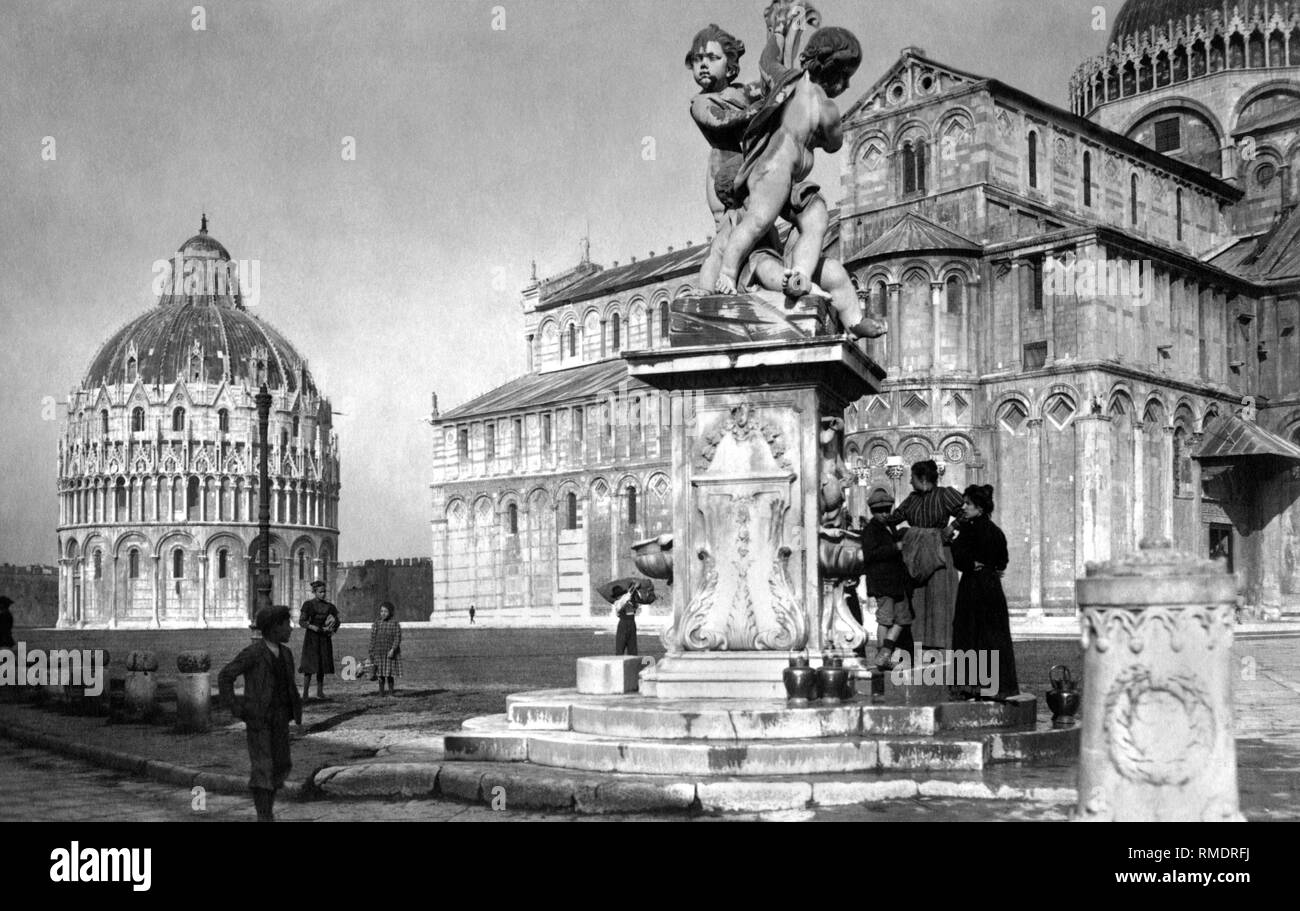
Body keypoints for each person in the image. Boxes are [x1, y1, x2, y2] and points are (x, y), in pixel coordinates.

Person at [715, 25, 884, 340]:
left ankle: (804, 279)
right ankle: (727, 271)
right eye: (845, 76)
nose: (846, 85)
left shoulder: (786, 79)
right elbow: (834, 143)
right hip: (774, 169)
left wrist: (776, 37)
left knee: (816, 214)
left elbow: (767, 61)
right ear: (831, 71)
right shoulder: (826, 106)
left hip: (788, 177)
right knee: (758, 220)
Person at [218, 605, 303, 822]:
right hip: (259, 720)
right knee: (263, 768)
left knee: (282, 764)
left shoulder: (286, 654)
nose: (291, 629)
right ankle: (264, 816)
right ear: (274, 628)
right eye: (287, 624)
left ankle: (267, 811)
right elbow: (226, 676)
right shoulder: (254, 652)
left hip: (280, 719)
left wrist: (294, 710)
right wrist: (237, 708)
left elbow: (288, 685)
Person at [872, 460, 964, 654]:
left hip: (939, 554)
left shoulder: (945, 494)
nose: (910, 483)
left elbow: (966, 511)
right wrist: (877, 517)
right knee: (918, 602)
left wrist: (952, 527)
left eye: (912, 478)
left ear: (922, 479)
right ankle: (920, 648)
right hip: (916, 558)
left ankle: (942, 649)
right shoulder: (912, 499)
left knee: (940, 601)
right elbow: (895, 517)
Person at [949, 485, 1020, 701]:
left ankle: (970, 685)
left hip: (973, 587)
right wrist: (990, 567)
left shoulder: (969, 530)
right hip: (991, 587)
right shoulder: (996, 531)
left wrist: (972, 564)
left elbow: (959, 558)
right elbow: (1002, 561)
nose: (964, 507)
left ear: (979, 508)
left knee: (970, 632)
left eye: (968, 504)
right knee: (992, 634)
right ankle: (995, 684)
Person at [860, 489, 912, 669]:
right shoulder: (870, 530)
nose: (884, 514)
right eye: (880, 511)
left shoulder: (888, 527)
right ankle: (883, 656)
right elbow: (870, 555)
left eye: (887, 510)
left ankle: (883, 655)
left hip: (896, 582)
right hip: (882, 583)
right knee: (886, 620)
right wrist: (895, 547)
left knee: (903, 618)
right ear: (873, 512)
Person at [298, 580, 339, 701]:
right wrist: (312, 626)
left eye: (324, 591)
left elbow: (337, 621)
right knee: (309, 666)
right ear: (314, 592)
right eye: (320, 592)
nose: (323, 594)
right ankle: (305, 693)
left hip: (324, 638)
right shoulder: (308, 605)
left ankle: (320, 692)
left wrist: (331, 628)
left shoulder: (329, 606)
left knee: (322, 664)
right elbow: (301, 621)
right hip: (312, 638)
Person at [368, 601, 403, 697]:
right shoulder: (377, 624)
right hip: (378, 652)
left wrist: (393, 650)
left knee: (389, 673)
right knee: (380, 673)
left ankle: (391, 692)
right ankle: (381, 693)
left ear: (390, 612)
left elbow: (397, 638)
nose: (383, 613)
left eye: (385, 611)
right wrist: (371, 651)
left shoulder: (395, 624)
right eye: (381, 611)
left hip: (389, 653)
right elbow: (373, 638)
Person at [612, 586, 640, 657]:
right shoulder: (617, 603)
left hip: (631, 624)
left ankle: (633, 664)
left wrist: (634, 590)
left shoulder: (629, 601)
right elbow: (620, 607)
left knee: (632, 648)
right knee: (620, 648)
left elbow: (636, 606)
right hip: (623, 624)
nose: (621, 596)